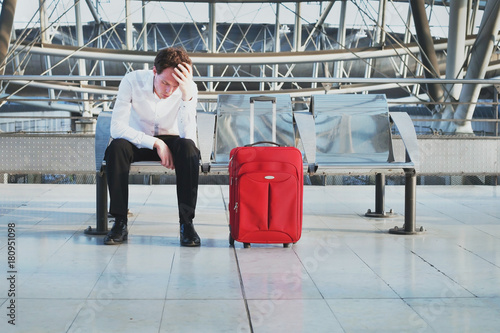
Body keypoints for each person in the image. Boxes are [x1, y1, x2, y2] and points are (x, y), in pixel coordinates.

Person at [103, 47, 201, 247]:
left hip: (173, 140)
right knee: (116, 148)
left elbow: (188, 135)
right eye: (165, 83)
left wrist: (186, 97)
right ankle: (119, 222)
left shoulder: (187, 88)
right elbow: (117, 127)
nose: (168, 91)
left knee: (189, 149)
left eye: (174, 86)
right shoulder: (132, 81)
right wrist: (156, 143)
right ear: (154, 71)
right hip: (138, 140)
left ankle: (187, 224)